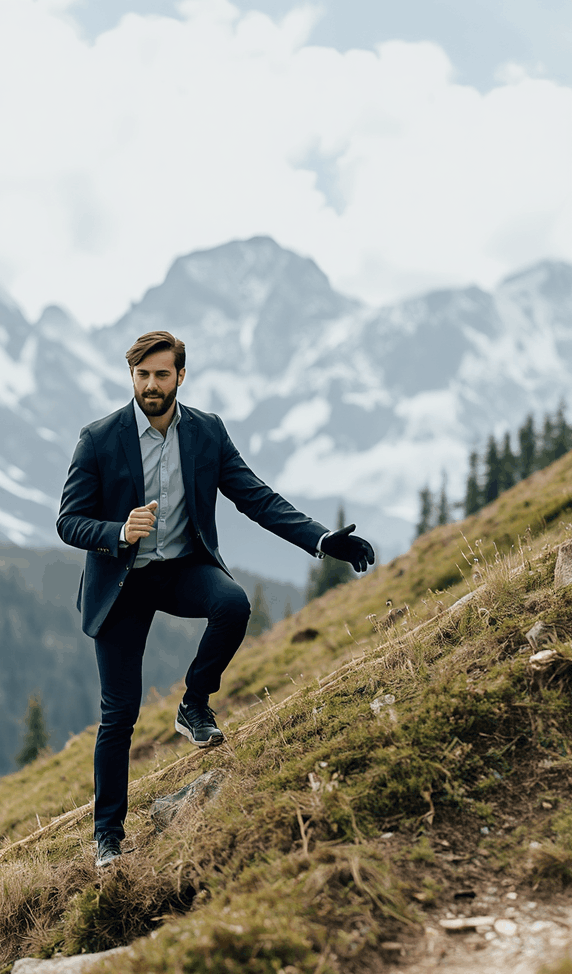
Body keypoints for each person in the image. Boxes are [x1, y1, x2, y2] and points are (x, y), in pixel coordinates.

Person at [57, 331, 373, 869]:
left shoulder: (206, 433)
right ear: (131, 377)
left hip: (182, 570)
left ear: (181, 376)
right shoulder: (99, 438)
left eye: (161, 374)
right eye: (141, 375)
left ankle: (193, 703)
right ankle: (108, 836)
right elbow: (68, 521)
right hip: (122, 583)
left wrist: (322, 539)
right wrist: (117, 532)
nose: (150, 385)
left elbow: (255, 496)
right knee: (120, 715)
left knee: (233, 603)